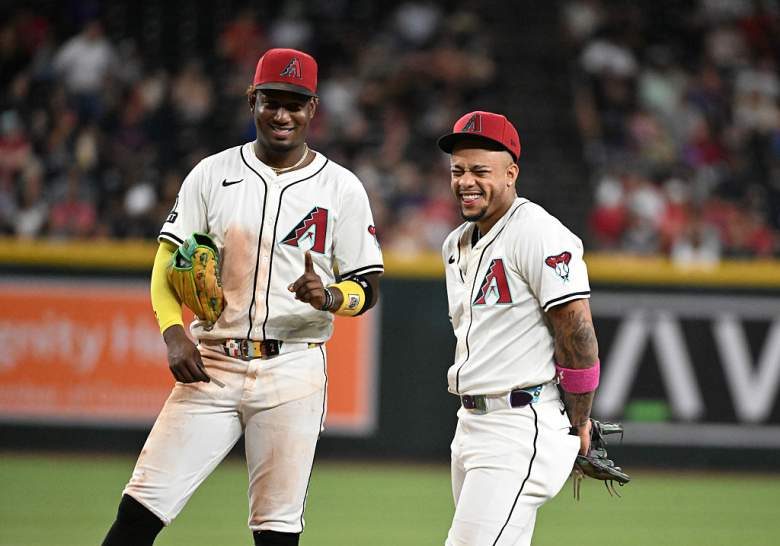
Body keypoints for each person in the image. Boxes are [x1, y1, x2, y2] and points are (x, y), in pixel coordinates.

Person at [101, 48, 384, 546]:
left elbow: (367, 289)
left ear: (313, 108)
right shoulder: (211, 174)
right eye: (272, 101)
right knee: (139, 510)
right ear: (252, 99)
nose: (282, 114)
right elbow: (166, 265)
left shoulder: (342, 188)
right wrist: (172, 335)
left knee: (275, 532)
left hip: (293, 369)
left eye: (295, 104)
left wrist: (331, 298)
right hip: (213, 363)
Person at [436, 111, 600, 545]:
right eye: (458, 170)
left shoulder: (537, 232)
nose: (465, 181)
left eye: (479, 170)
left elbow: (577, 333)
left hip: (520, 424)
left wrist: (579, 420)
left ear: (511, 174)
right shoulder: (455, 244)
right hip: (471, 424)